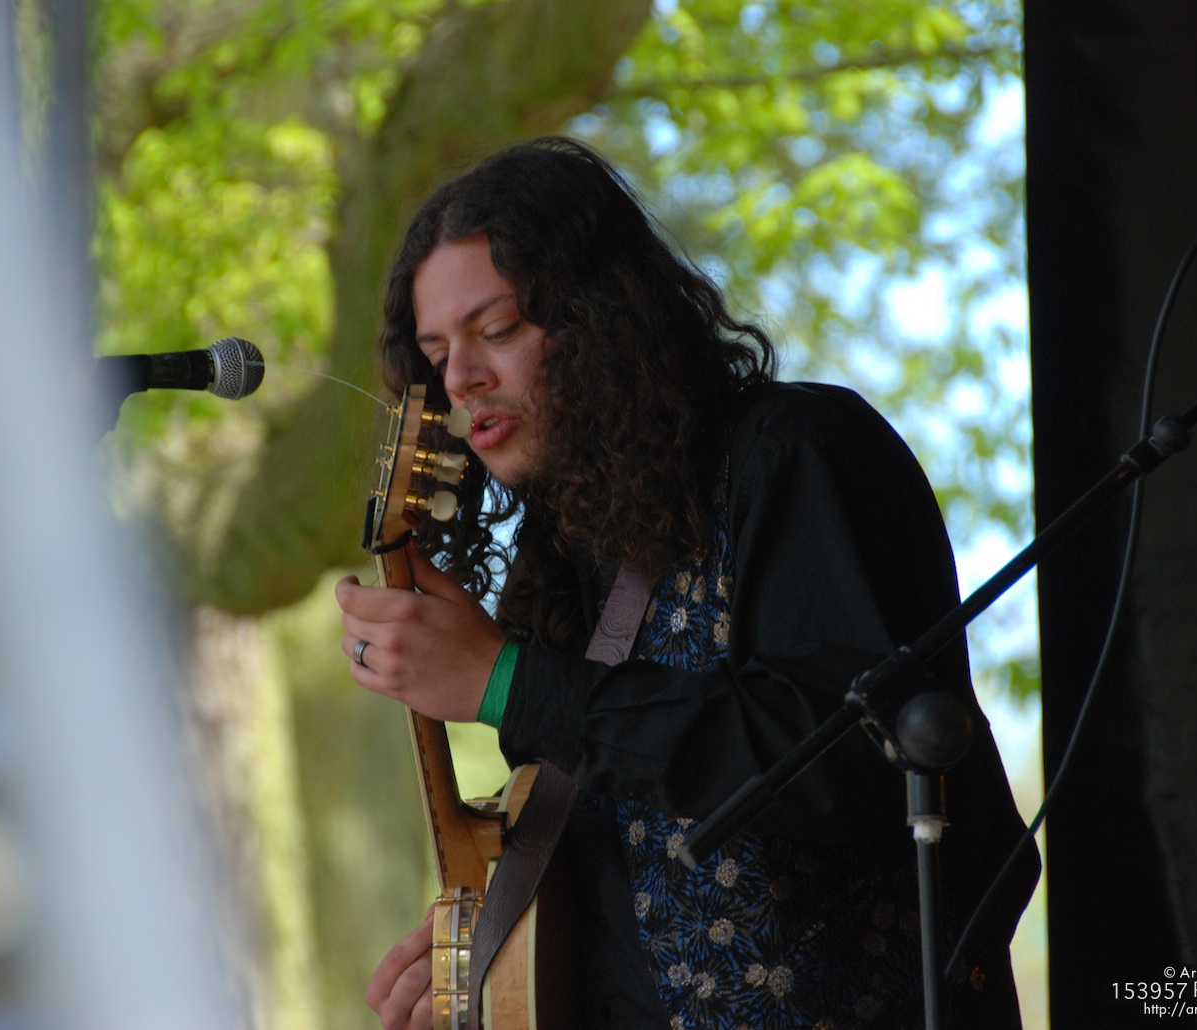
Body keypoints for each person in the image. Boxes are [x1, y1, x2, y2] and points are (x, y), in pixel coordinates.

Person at [334, 136, 1039, 1030]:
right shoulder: (561, 566)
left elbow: (837, 762)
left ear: (600, 318)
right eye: (437, 355)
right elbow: (628, 876)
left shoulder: (794, 454)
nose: (462, 379)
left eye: (498, 330)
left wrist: (504, 681)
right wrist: (497, 940)